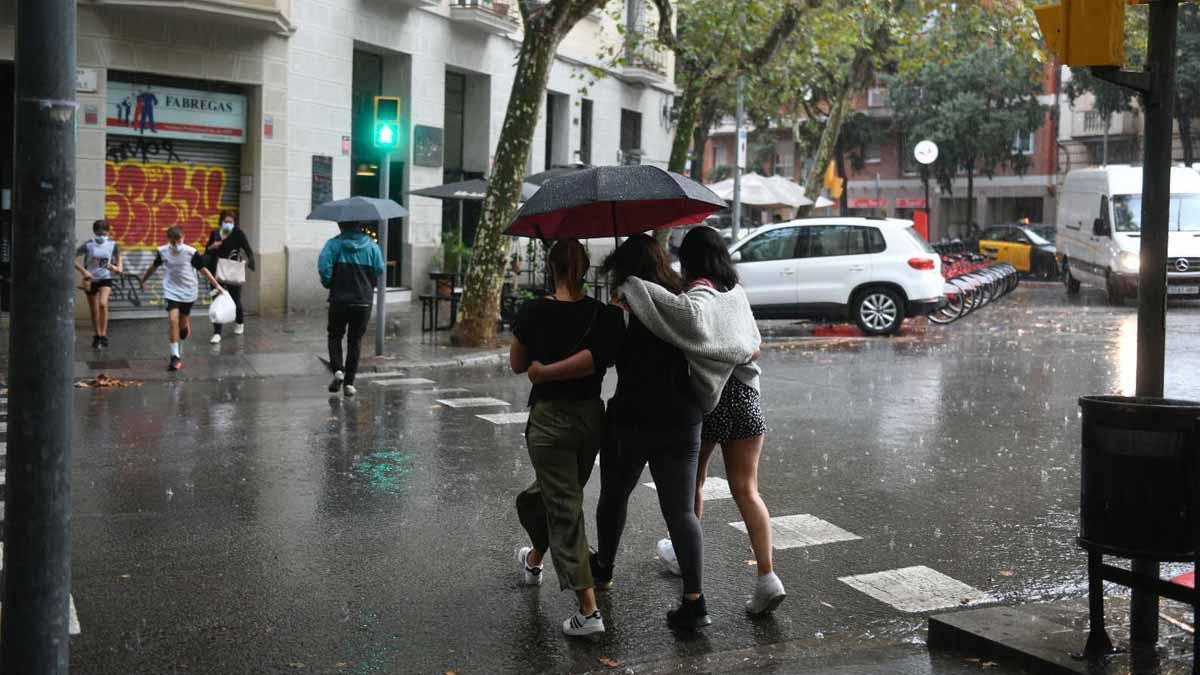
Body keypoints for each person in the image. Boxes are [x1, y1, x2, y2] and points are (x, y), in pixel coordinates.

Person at [539, 235, 711, 629]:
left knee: (614, 497)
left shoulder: (624, 307)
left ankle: (604, 569)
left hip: (632, 416)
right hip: (682, 417)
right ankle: (695, 600)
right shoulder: (684, 302)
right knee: (682, 511)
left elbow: (601, 358)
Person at [617, 226, 784, 616]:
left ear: (690, 260)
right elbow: (752, 346)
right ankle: (768, 577)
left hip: (708, 401)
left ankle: (682, 556)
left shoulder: (699, 295)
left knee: (692, 483)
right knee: (748, 491)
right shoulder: (737, 295)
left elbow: (684, 327)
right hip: (746, 400)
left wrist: (635, 288)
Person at [509, 239, 622, 638]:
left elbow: (518, 364)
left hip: (550, 424)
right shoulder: (604, 315)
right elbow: (601, 360)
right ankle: (536, 558)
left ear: (551, 268)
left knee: (564, 509)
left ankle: (588, 610)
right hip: (592, 420)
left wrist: (545, 370)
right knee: (553, 499)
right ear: (586, 269)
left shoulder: (534, 312)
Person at [140, 226, 224, 372]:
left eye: (178, 240)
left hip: (188, 290)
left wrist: (217, 286)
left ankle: (185, 323)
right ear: (168, 240)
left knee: (182, 324)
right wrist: (143, 280)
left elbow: (203, 270)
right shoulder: (163, 252)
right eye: (173, 241)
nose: (176, 244)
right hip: (171, 290)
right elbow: (153, 267)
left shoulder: (191, 253)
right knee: (172, 320)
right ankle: (175, 356)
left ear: (183, 238)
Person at [317, 221, 384, 398]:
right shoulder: (371, 246)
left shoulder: (333, 244)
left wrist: (329, 283)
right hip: (363, 301)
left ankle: (338, 369)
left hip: (339, 299)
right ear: (360, 225)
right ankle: (349, 383)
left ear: (341, 226)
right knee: (355, 341)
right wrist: (368, 283)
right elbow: (379, 269)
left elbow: (324, 267)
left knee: (335, 335)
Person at [204, 210, 256, 344]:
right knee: (217, 301)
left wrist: (247, 262)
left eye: (231, 222)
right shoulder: (215, 234)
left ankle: (239, 322)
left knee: (235, 299)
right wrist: (212, 246)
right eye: (226, 222)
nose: (228, 224)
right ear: (221, 222)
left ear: (234, 223)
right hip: (217, 272)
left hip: (233, 271)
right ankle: (217, 333)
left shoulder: (238, 233)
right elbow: (206, 252)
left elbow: (248, 250)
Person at [75, 219, 122, 349]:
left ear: (108, 232)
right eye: (99, 234)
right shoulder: (89, 245)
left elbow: (119, 258)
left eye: (104, 233)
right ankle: (97, 335)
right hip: (90, 280)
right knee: (93, 309)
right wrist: (84, 271)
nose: (102, 236)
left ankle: (104, 334)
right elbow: (71, 257)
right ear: (95, 232)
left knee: (102, 303)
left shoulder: (113, 244)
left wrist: (118, 268)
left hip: (106, 278)